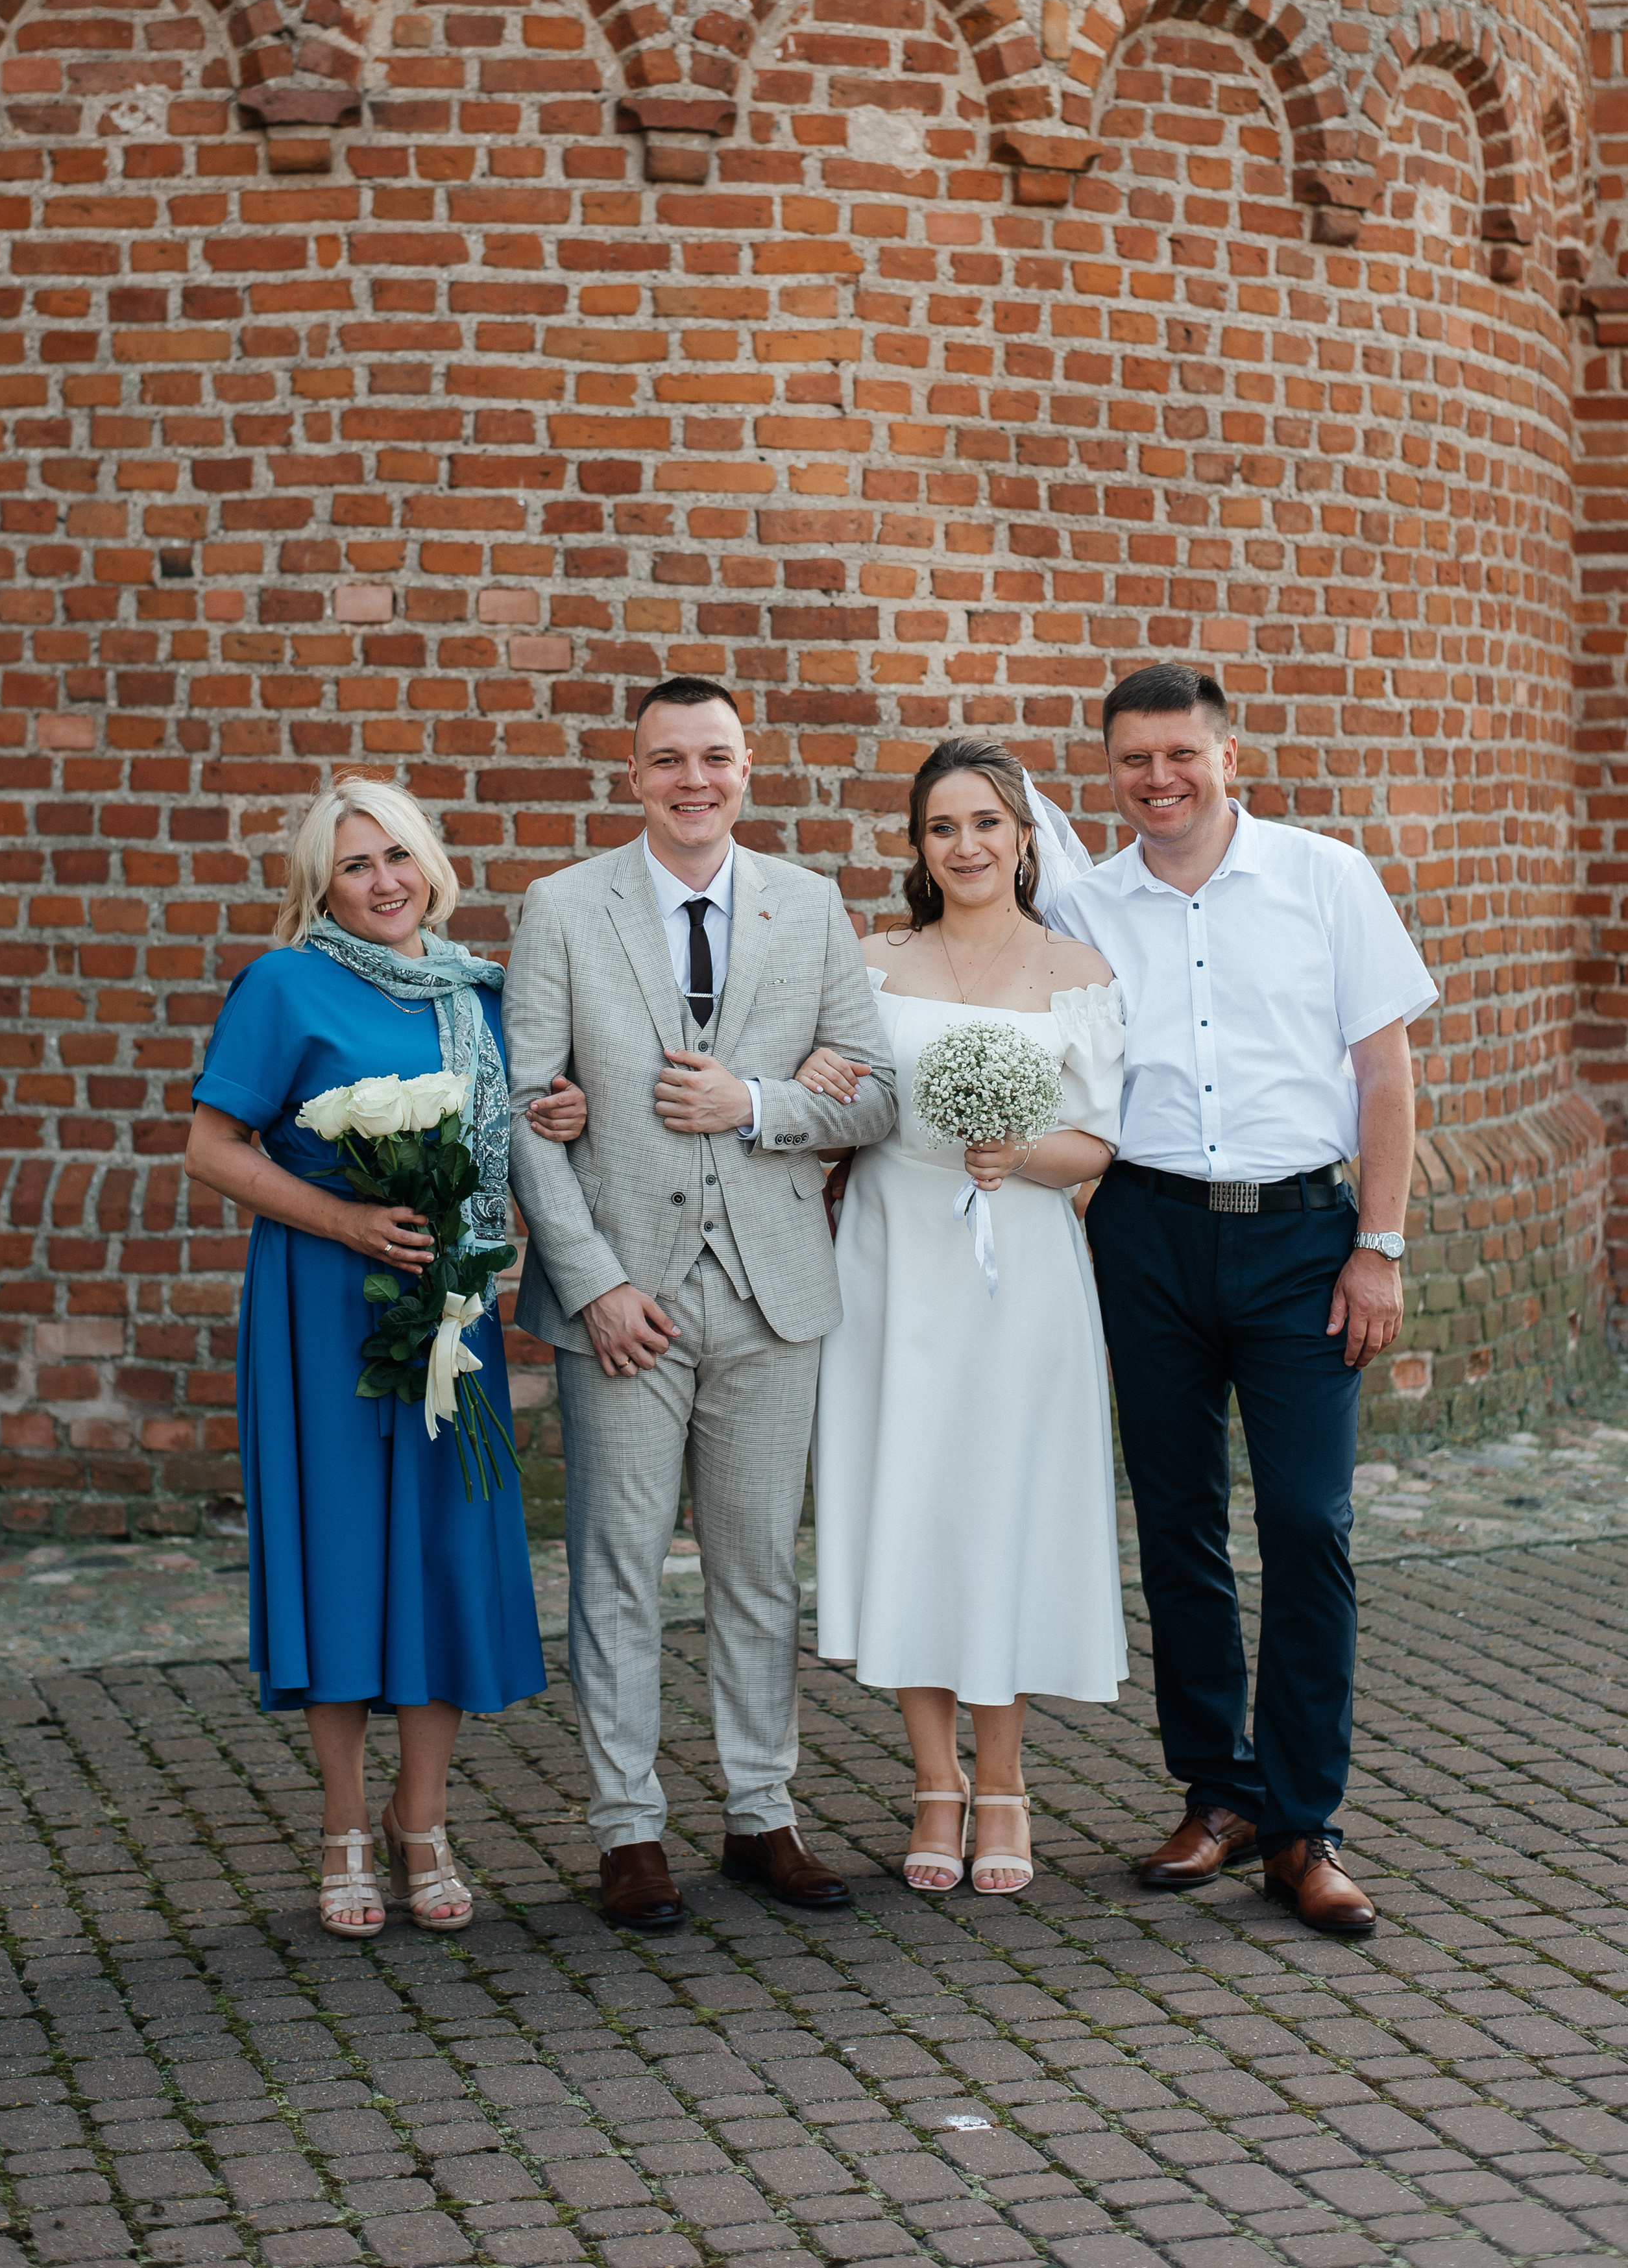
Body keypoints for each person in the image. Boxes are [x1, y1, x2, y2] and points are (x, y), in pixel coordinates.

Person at [1040, 664, 1437, 1934]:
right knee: (1175, 1519)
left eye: (1178, 755)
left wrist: (1375, 1245)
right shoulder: (1087, 905)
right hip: (1146, 1231)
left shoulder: (1323, 877)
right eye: (1131, 761)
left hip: (1300, 1240)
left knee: (1308, 1522)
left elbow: (1383, 1073)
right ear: (1108, 770)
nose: (1156, 781)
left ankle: (1302, 1819)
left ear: (1226, 755)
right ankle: (1216, 1791)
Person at [503, 675, 897, 1929]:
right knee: (615, 1568)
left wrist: (761, 1103)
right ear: (635, 776)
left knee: (757, 1571)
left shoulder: (812, 905)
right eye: (668, 760)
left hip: (773, 1294)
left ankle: (760, 1813)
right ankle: (628, 1831)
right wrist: (595, 1282)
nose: (694, 781)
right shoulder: (564, 908)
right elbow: (526, 1111)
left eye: (715, 758)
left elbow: (876, 1093)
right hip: (624, 1303)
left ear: (746, 769)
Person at [186, 778, 581, 1938]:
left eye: (398, 856)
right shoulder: (283, 984)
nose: (384, 882)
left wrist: (563, 1114)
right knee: (343, 1552)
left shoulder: (482, 996)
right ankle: (345, 1828)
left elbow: (522, 1125)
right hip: (323, 1308)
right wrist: (344, 1220)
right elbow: (211, 1145)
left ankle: (426, 1824)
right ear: (322, 885)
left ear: (432, 866)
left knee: (444, 1553)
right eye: (355, 866)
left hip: (452, 1309)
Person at [803, 740, 1127, 1896]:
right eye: (943, 828)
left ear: (1026, 837)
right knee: (915, 1502)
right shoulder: (871, 961)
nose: (967, 846)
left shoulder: (1078, 968)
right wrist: (829, 1094)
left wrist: (1024, 1152)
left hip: (1024, 1271)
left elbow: (1099, 1140)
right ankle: (933, 1782)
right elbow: (823, 1093)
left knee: (1003, 1510)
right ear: (920, 848)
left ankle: (1006, 1786)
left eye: (987, 822)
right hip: (894, 1264)